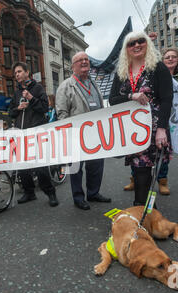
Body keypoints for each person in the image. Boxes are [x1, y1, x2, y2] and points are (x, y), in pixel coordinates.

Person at [109, 31, 173, 207]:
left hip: (153, 128)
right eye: (131, 43)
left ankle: (142, 210)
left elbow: (167, 100)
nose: (136, 45)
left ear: (147, 44)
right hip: (131, 129)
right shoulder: (121, 72)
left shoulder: (158, 67)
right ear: (126, 49)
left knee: (144, 169)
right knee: (139, 170)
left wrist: (161, 129)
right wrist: (132, 95)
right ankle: (146, 210)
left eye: (140, 41)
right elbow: (112, 100)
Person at [123, 48, 178, 195]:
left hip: (171, 117)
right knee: (139, 152)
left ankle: (162, 180)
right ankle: (136, 179)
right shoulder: (153, 72)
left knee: (161, 150)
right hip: (146, 119)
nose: (170, 59)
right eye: (167, 57)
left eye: (174, 57)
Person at [56, 52, 110, 210]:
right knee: (75, 168)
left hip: (95, 132)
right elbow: (62, 113)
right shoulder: (66, 85)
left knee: (96, 165)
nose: (84, 62)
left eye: (86, 59)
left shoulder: (94, 83)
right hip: (76, 134)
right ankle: (78, 197)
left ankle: (93, 193)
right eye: (80, 60)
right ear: (73, 66)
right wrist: (67, 133)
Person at [8, 62, 59, 207]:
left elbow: (44, 108)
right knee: (23, 167)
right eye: (15, 73)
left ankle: (50, 193)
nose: (16, 74)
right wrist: (18, 108)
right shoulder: (16, 92)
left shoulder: (37, 88)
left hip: (36, 132)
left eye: (19, 71)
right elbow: (10, 112)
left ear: (27, 72)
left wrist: (31, 98)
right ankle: (29, 192)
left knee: (40, 167)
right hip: (20, 134)